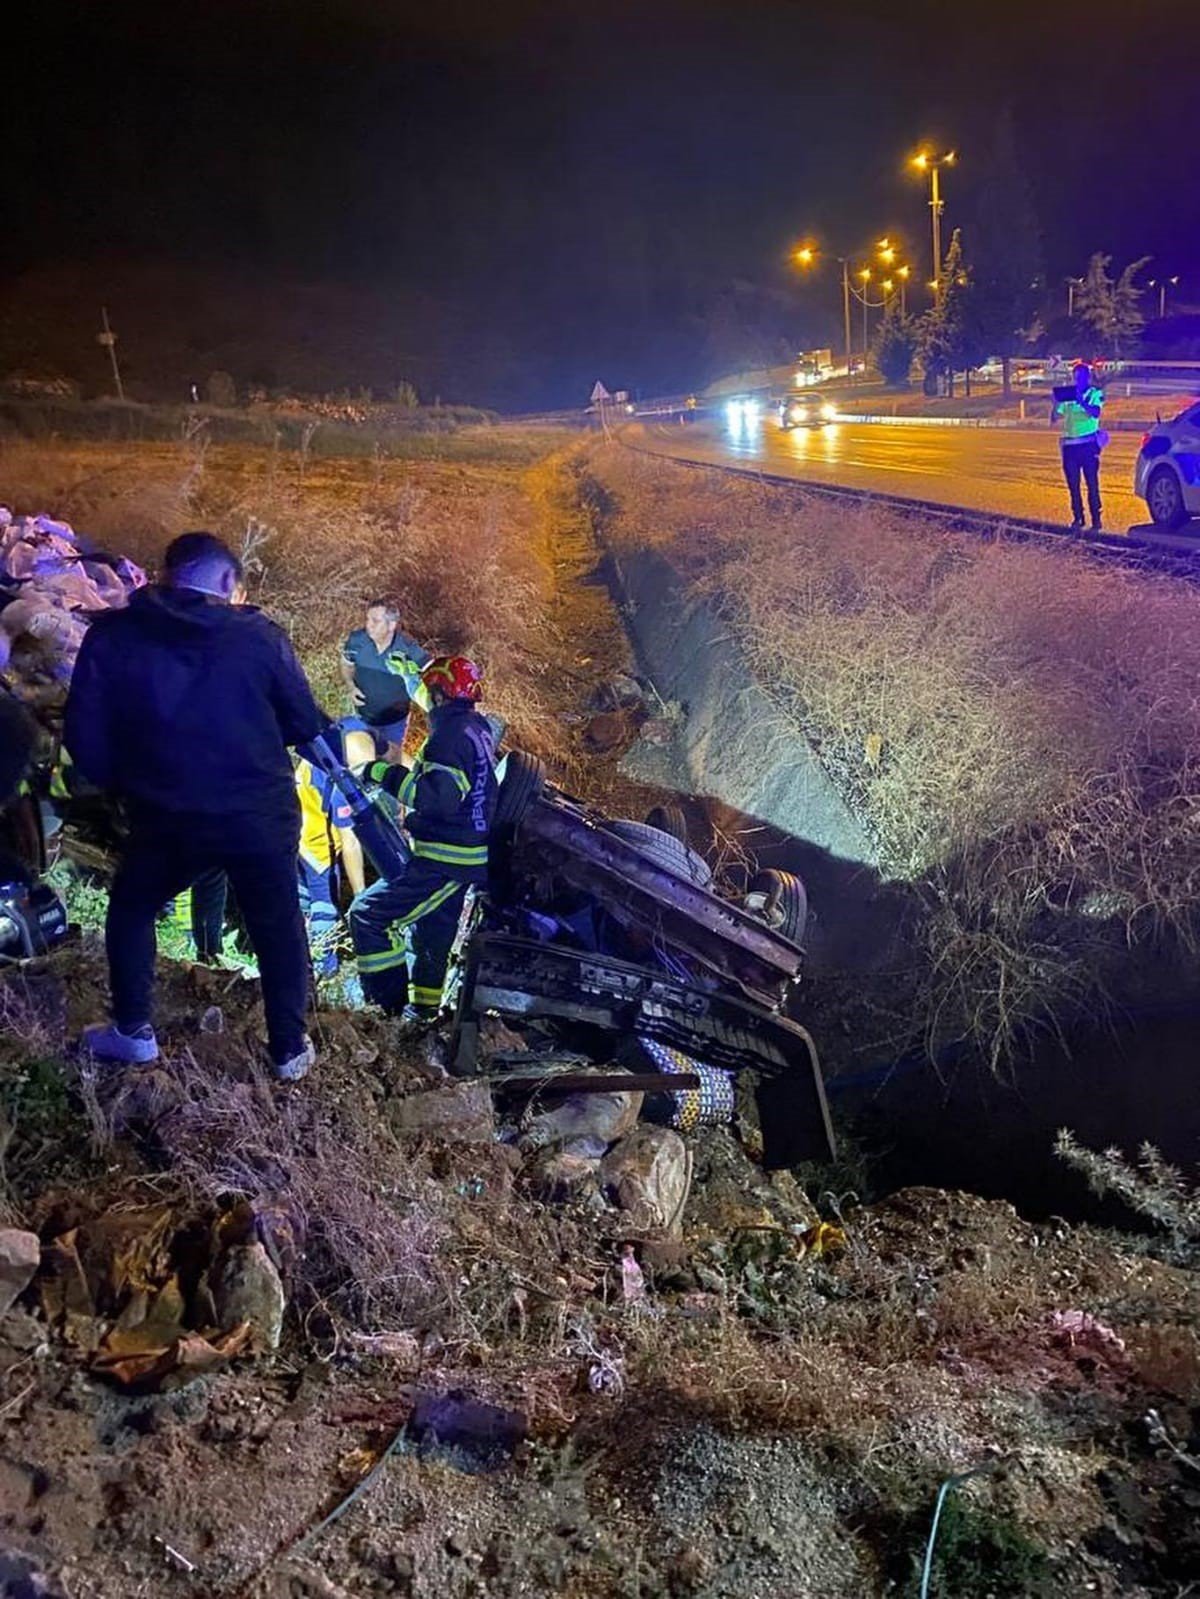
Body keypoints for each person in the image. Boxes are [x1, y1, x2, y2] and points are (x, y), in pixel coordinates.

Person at [64, 531, 327, 1079]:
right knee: (277, 922)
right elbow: (303, 723)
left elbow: (84, 736)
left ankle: (133, 1031)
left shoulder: (113, 636)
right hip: (257, 814)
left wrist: (120, 787)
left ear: (166, 573)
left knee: (134, 907)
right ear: (229, 582)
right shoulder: (259, 637)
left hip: (166, 813)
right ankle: (288, 1050)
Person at [350, 655, 497, 1022]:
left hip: (447, 860)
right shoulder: (474, 728)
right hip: (461, 855)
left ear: (440, 695)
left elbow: (437, 798)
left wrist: (381, 772)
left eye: (430, 693)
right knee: (432, 933)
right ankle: (424, 1012)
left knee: (370, 916)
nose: (427, 700)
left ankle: (385, 1012)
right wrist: (406, 675)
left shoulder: (448, 737)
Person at [294, 722, 370, 974]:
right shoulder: (341, 787)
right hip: (315, 844)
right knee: (324, 905)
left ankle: (299, 957)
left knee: (300, 898)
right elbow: (350, 843)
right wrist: (361, 897)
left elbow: (390, 750)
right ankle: (324, 969)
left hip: (292, 826)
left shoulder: (346, 732)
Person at [340, 601, 430, 757]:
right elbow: (346, 664)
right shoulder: (357, 641)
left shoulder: (407, 648)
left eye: (375, 621)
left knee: (390, 763)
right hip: (362, 717)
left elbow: (432, 671)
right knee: (360, 761)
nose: (369, 625)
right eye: (367, 619)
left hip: (394, 722)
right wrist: (350, 686)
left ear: (391, 625)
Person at [1052, 361, 1106, 533]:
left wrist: (1081, 400)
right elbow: (1054, 419)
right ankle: (1078, 517)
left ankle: (1096, 519)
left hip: (1088, 446)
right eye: (1076, 377)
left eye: (1082, 376)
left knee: (1092, 483)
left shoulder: (1094, 393)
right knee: (1073, 485)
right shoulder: (1068, 398)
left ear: (1088, 377)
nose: (1079, 380)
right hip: (1070, 447)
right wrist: (1055, 403)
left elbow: (1096, 412)